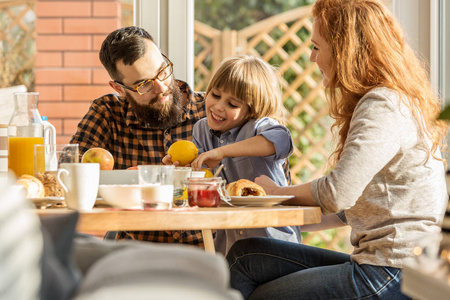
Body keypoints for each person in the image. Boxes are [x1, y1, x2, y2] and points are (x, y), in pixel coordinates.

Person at [225, 0, 448, 299]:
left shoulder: (382, 104)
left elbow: (336, 193)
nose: (311, 57)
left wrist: (275, 192)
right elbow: (349, 209)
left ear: (345, 50)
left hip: (393, 272)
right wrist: (275, 212)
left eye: (317, 47)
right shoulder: (392, 100)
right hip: (386, 266)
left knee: (264, 295)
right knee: (245, 256)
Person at [70, 26, 207, 246]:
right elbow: (72, 175)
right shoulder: (108, 113)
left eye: (162, 71)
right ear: (120, 89)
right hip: (137, 254)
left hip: (212, 250)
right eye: (143, 84)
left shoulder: (213, 112)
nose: (161, 87)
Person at [184, 55, 302, 254]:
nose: (218, 106)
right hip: (230, 245)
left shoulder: (259, 126)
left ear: (252, 109)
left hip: (275, 243)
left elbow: (282, 139)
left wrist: (221, 152)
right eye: (215, 94)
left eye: (233, 104)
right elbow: (201, 177)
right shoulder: (201, 130)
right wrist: (182, 167)